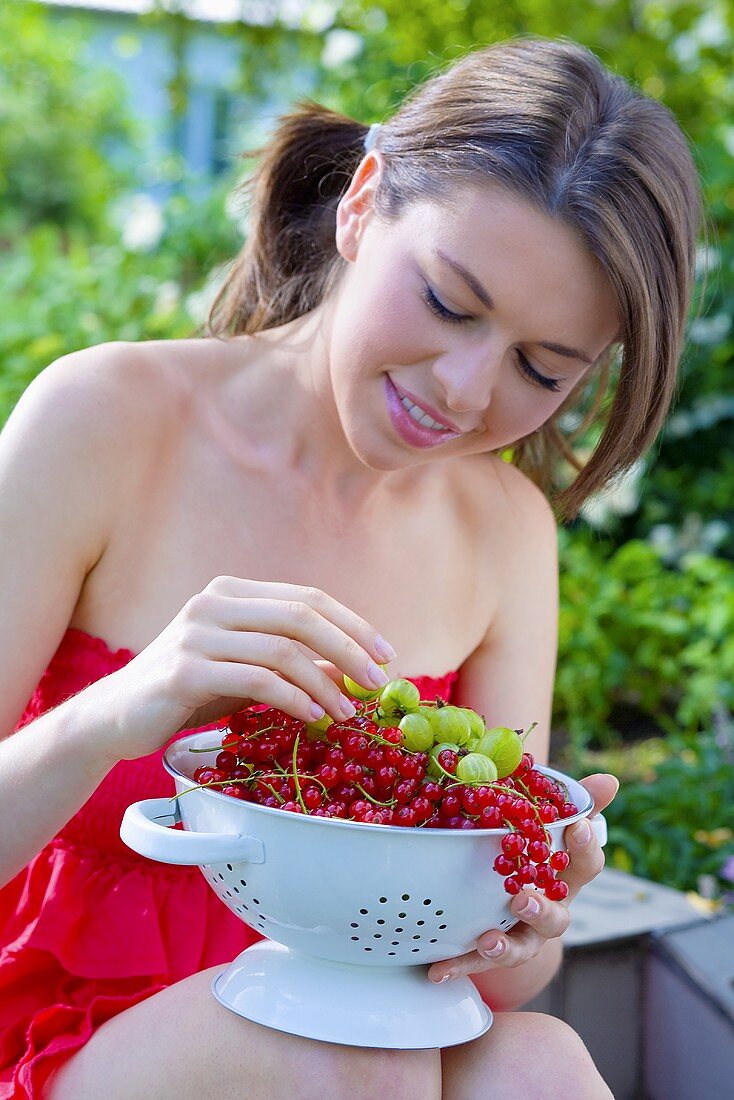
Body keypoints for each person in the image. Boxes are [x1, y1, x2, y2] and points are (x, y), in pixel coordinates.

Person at [0, 34, 700, 1100]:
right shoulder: (103, 419)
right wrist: (122, 708)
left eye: (538, 368)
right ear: (363, 202)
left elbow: (511, 981)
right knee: (344, 1054)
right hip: (58, 1031)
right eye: (448, 303)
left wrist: (524, 898)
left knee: (539, 1066)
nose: (464, 392)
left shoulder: (504, 529)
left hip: (359, 1046)